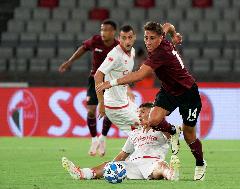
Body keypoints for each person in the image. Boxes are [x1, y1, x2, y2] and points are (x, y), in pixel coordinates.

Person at [96, 21, 207, 181]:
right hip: (169, 90)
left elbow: (139, 75)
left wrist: (111, 82)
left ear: (161, 38)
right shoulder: (164, 38)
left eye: (152, 38)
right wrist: (174, 34)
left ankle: (200, 163)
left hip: (188, 93)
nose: (148, 42)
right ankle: (174, 131)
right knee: (153, 120)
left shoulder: (160, 54)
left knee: (190, 134)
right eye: (146, 38)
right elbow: (168, 25)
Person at [94, 25, 181, 154]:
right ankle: (156, 154)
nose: (127, 41)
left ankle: (133, 159)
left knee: (146, 124)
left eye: (130, 37)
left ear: (134, 37)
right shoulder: (114, 55)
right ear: (119, 39)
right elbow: (98, 75)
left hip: (125, 102)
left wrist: (127, 88)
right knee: (143, 129)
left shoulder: (132, 52)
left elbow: (122, 74)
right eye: (123, 38)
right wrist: (101, 103)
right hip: (114, 106)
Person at [62, 103, 180, 181]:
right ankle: (83, 173)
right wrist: (110, 167)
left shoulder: (163, 130)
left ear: (152, 113)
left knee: (161, 166)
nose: (139, 114)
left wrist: (156, 122)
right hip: (134, 164)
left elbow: (174, 133)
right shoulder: (134, 133)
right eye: (138, 112)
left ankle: (171, 174)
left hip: (153, 162)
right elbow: (123, 155)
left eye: (143, 111)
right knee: (108, 164)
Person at [58, 20, 119, 157]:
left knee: (108, 111)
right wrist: (70, 61)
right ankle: (94, 139)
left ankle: (103, 138)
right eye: (102, 29)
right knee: (91, 111)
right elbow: (83, 49)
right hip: (94, 80)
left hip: (109, 81)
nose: (103, 33)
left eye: (107, 30)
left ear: (113, 32)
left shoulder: (118, 46)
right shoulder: (96, 40)